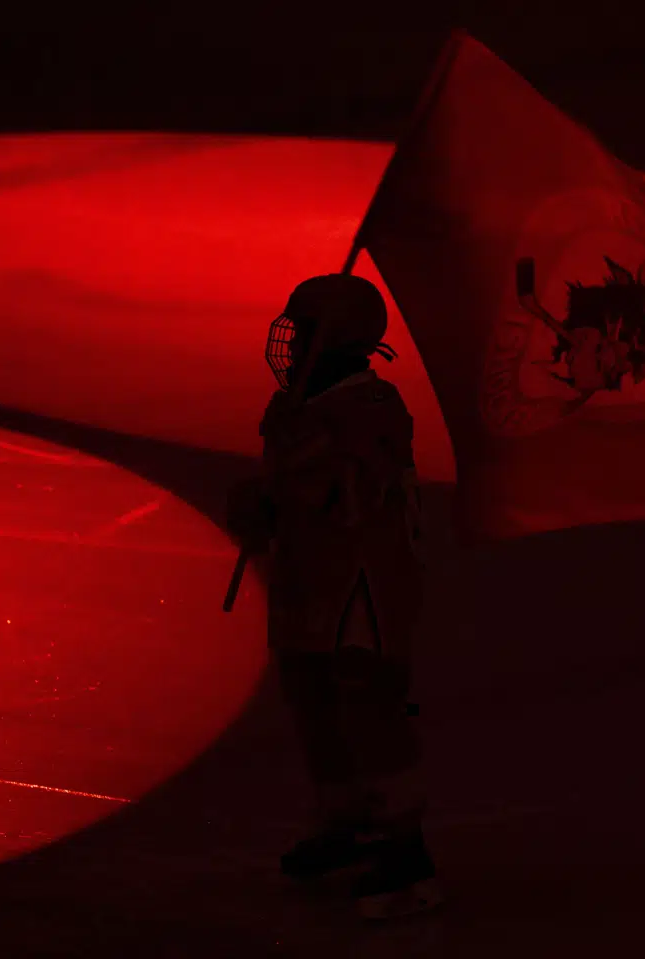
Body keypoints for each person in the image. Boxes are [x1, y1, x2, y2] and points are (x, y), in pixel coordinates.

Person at [226, 273, 440, 920]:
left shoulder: (369, 409)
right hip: (311, 577)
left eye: (307, 329)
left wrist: (279, 496)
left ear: (342, 341)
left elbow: (345, 494)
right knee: (311, 695)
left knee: (366, 703)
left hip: (361, 582)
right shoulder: (295, 406)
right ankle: (344, 817)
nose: (292, 342)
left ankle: (406, 847)